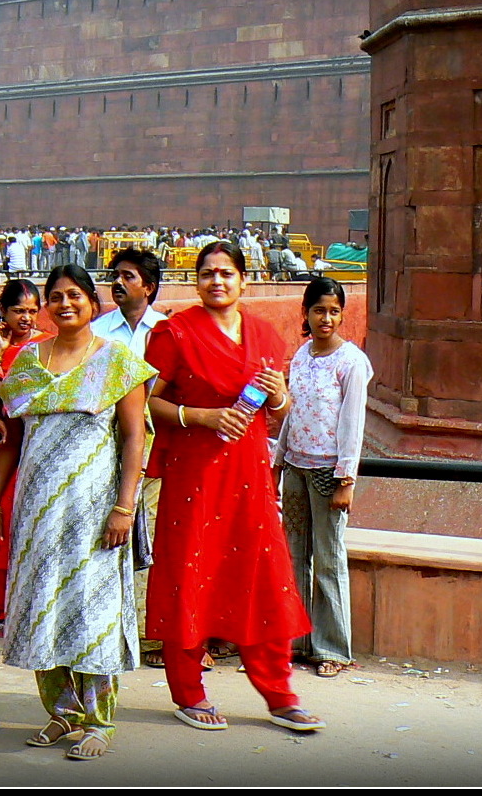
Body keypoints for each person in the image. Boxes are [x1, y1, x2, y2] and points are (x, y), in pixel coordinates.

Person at [144, 241, 325, 733]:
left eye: (226, 273)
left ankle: (280, 694)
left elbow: (279, 412)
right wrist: (200, 416)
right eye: (207, 274)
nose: (217, 281)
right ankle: (188, 691)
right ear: (196, 282)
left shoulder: (266, 335)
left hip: (248, 477)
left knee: (263, 577)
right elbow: (145, 404)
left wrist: (281, 394)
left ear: (244, 281)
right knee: (190, 575)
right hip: (195, 478)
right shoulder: (173, 334)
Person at [0, 264, 155, 761]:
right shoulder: (26, 362)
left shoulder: (118, 362)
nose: (65, 304)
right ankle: (62, 714)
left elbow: (133, 439)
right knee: (45, 608)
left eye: (75, 295)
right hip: (38, 513)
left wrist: (125, 507)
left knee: (92, 611)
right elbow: (11, 441)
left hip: (95, 509)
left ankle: (99, 721)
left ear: (91, 302)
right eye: (55, 296)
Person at [273, 277, 373, 678]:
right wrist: (278, 461)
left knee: (328, 560)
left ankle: (332, 648)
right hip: (297, 467)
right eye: (318, 310)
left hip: (329, 472)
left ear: (342, 315)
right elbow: (292, 414)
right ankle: (295, 642)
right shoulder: (301, 356)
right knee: (294, 556)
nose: (326, 318)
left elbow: (353, 424)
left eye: (333, 311)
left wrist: (347, 480)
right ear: (306, 313)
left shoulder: (352, 363)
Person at [90, 248, 171, 669]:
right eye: (115, 276)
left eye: (129, 276)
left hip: (158, 445)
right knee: (111, 531)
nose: (118, 283)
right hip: (109, 444)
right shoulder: (99, 332)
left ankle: (149, 634)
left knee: (152, 536)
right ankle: (110, 626)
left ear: (149, 287)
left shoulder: (169, 332)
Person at [0, 279, 51, 632]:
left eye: (33, 311)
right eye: (19, 310)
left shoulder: (47, 346)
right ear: (3, 310)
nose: (27, 318)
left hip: (27, 450)